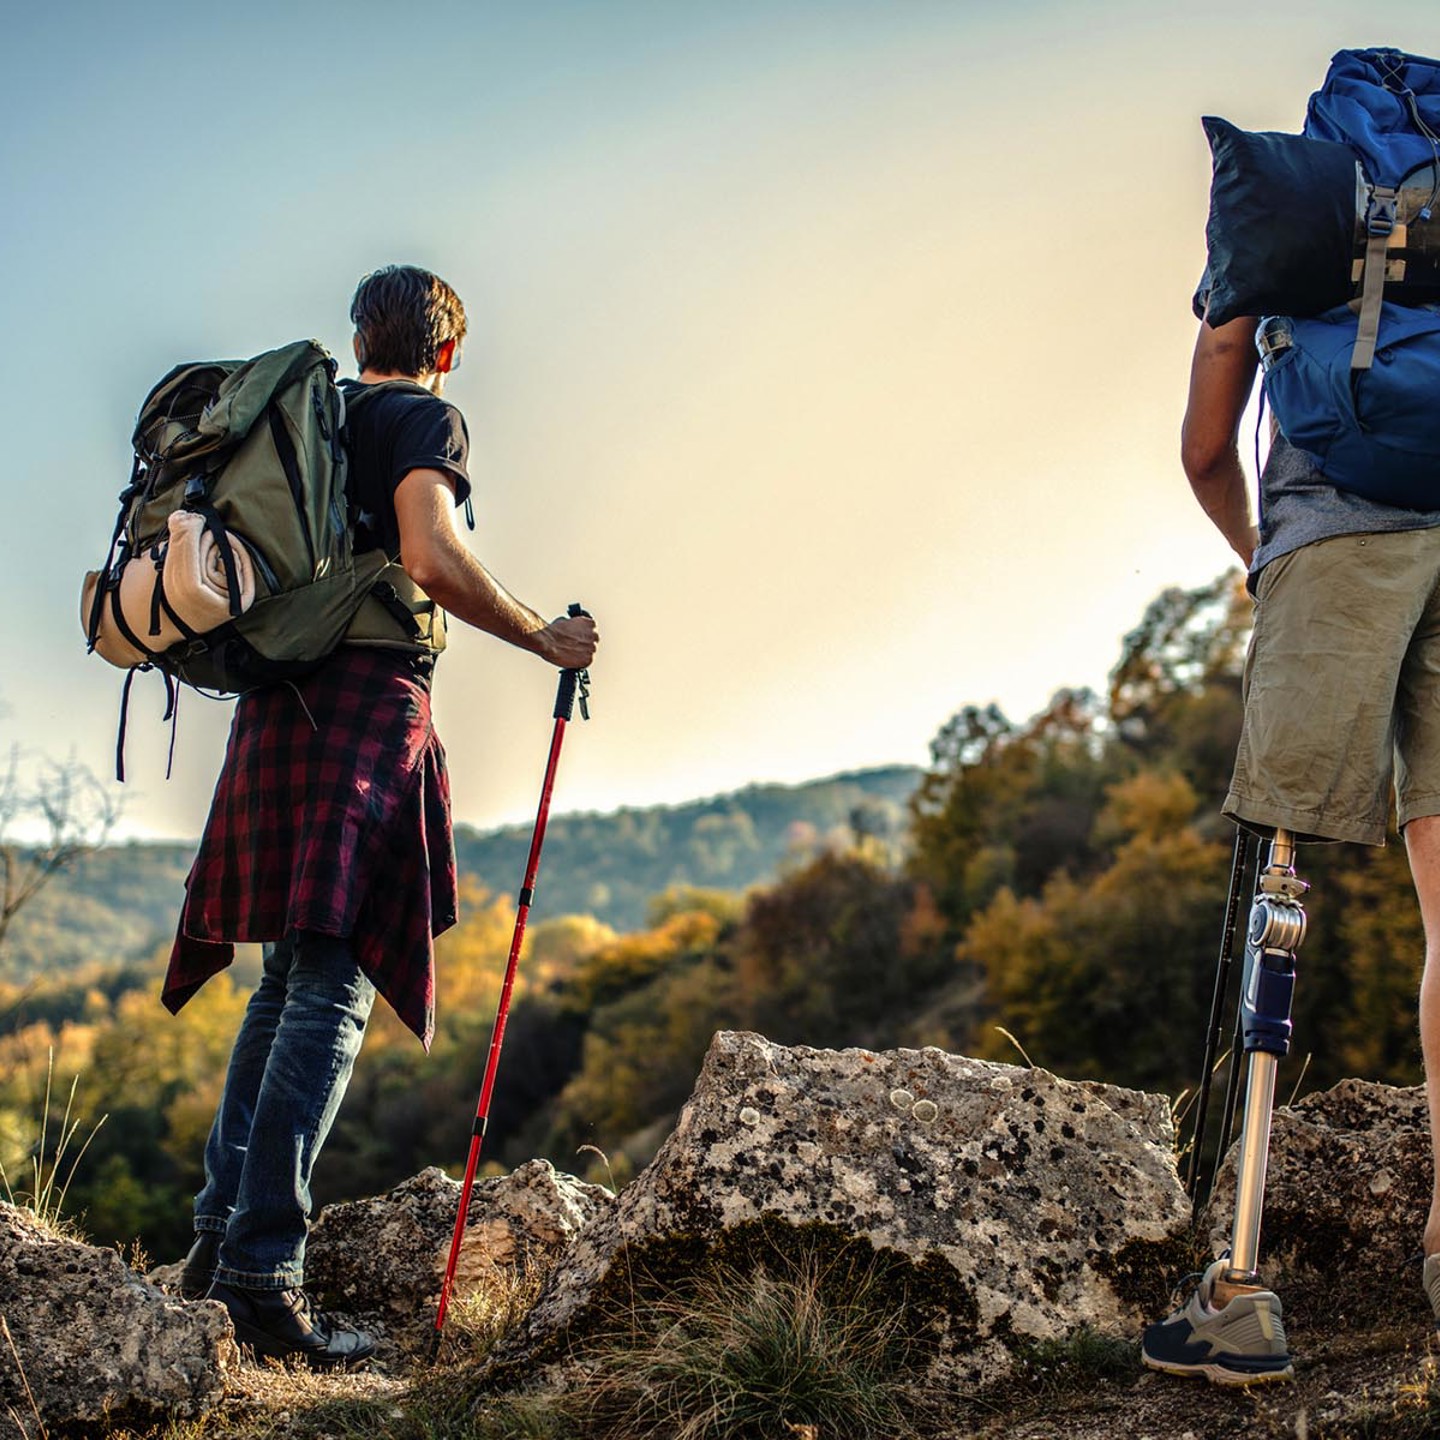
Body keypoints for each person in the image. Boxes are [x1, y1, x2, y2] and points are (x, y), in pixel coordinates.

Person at [159, 265, 600, 1366]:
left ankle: (219, 1248)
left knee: (289, 979)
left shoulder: (309, 416)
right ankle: (263, 1274)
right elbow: (429, 553)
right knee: (334, 982)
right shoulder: (423, 417)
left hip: (274, 706)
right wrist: (544, 633)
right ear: (444, 350)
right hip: (362, 704)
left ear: (363, 336)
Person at [1139, 305, 1440, 1384]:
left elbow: (1208, 446)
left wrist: (1264, 552)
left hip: (1335, 533)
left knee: (1280, 885)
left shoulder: (1296, 201)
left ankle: (1241, 1288)